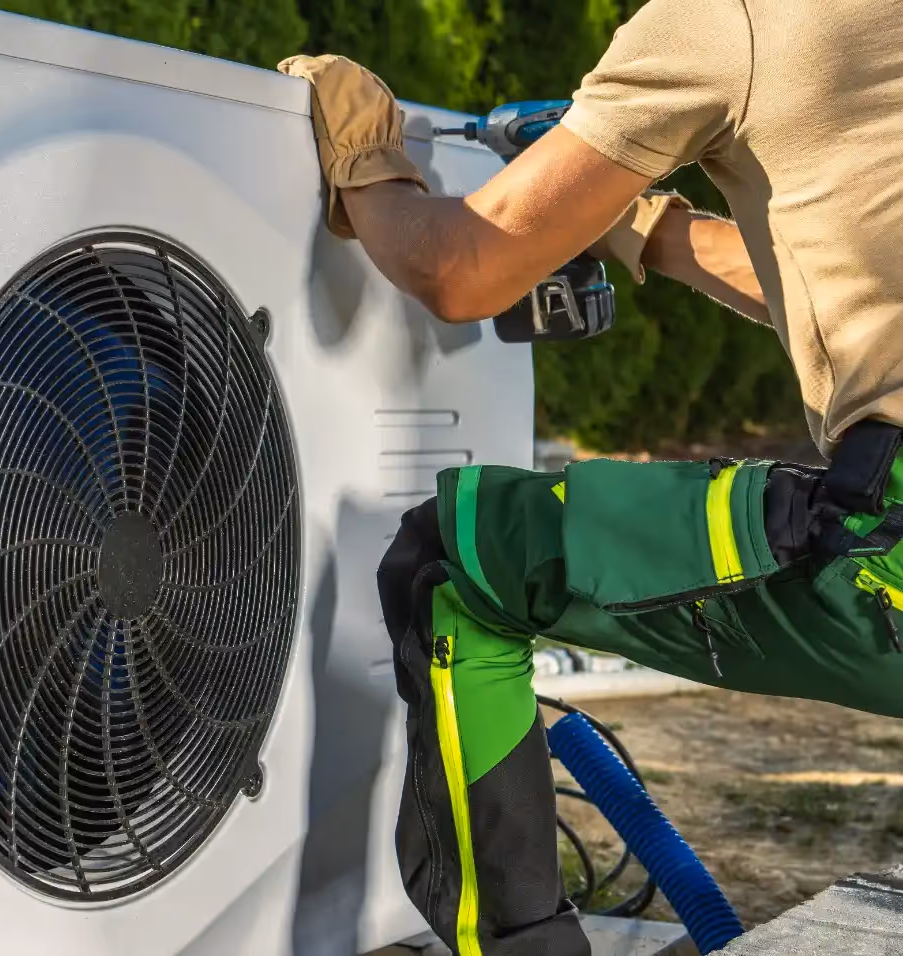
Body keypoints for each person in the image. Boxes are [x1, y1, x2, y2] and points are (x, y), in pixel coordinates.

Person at [279, 1, 903, 953]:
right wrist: (639, 220)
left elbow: (459, 269)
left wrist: (367, 158)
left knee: (458, 564)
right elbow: (843, 282)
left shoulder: (723, 18)